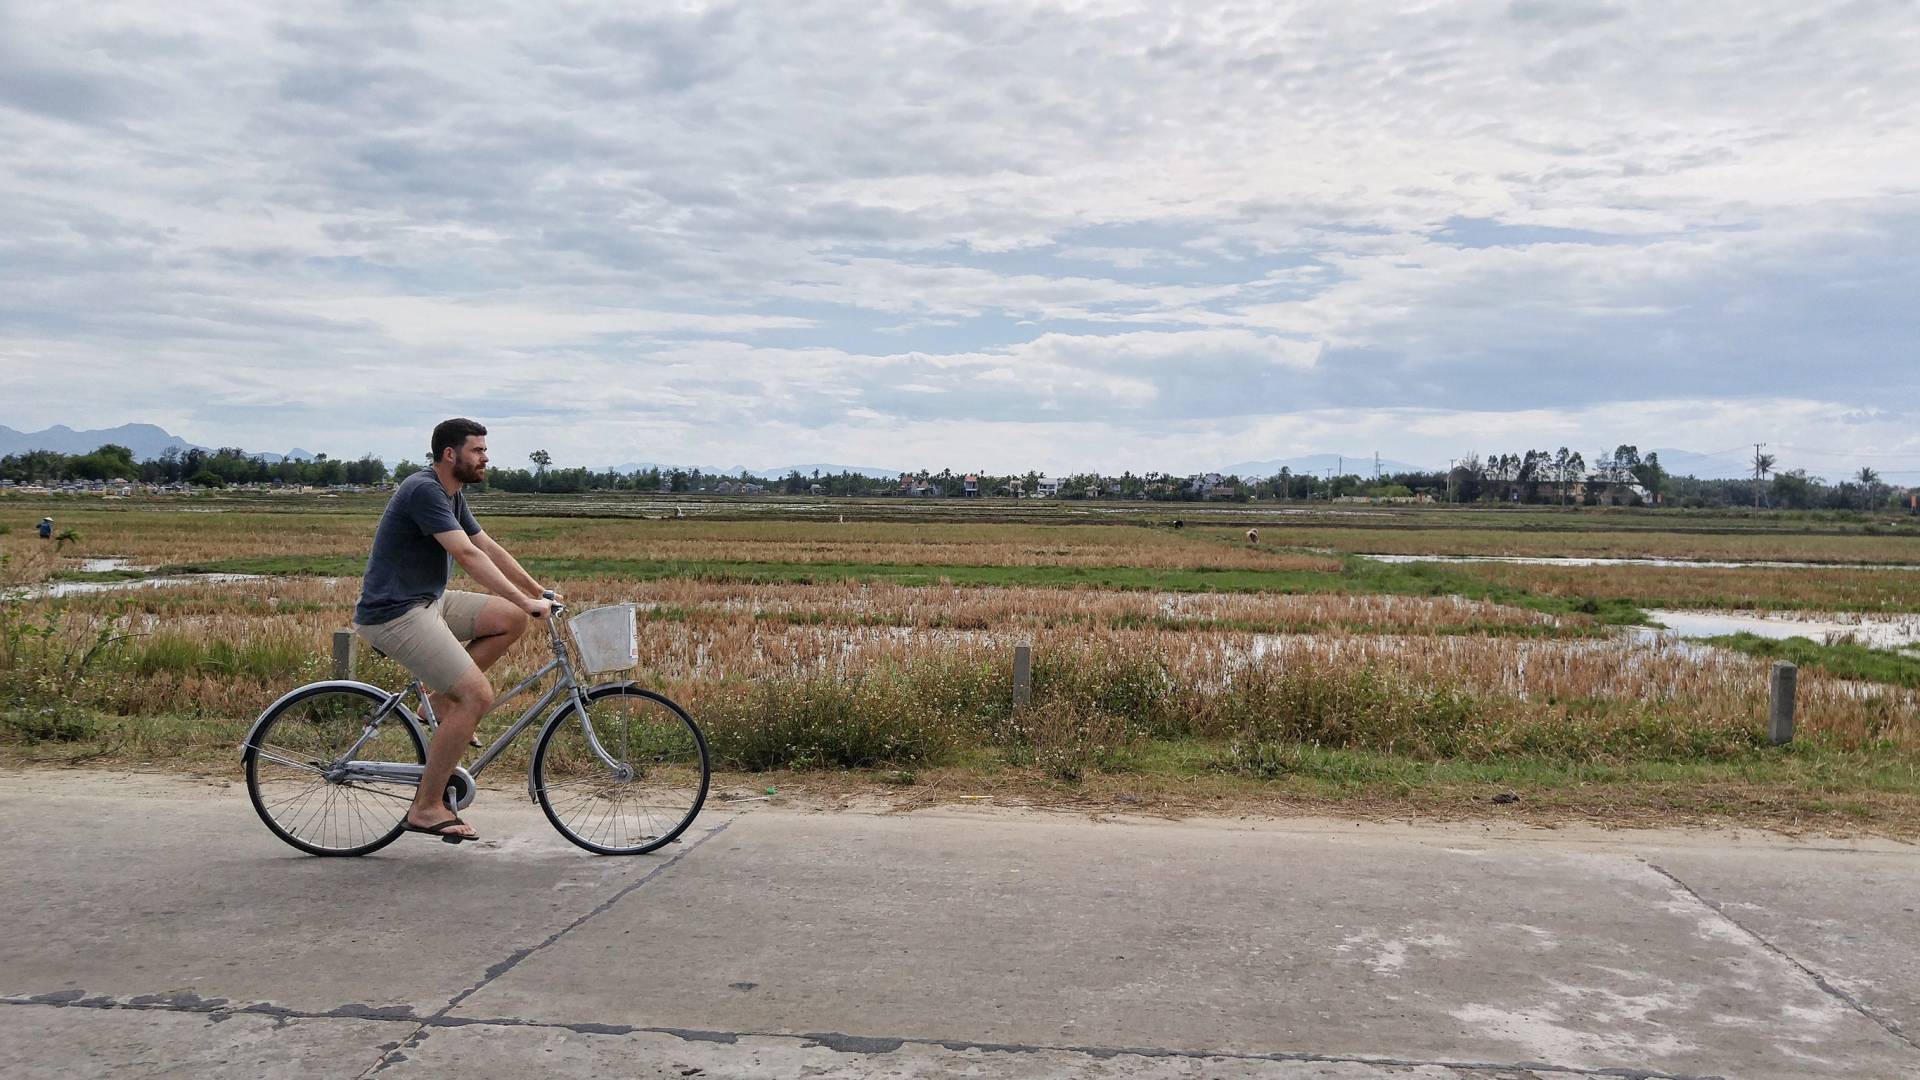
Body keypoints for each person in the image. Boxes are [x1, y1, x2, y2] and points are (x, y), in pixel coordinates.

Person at [351, 418, 555, 843]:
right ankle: (426, 807)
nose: (486, 457)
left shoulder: (451, 492)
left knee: (509, 618)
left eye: (484, 450)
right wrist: (525, 600)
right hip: (394, 613)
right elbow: (465, 553)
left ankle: (440, 702)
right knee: (477, 695)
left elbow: (486, 545)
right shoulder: (424, 489)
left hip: (427, 601)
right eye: (478, 450)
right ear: (450, 454)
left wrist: (537, 592)